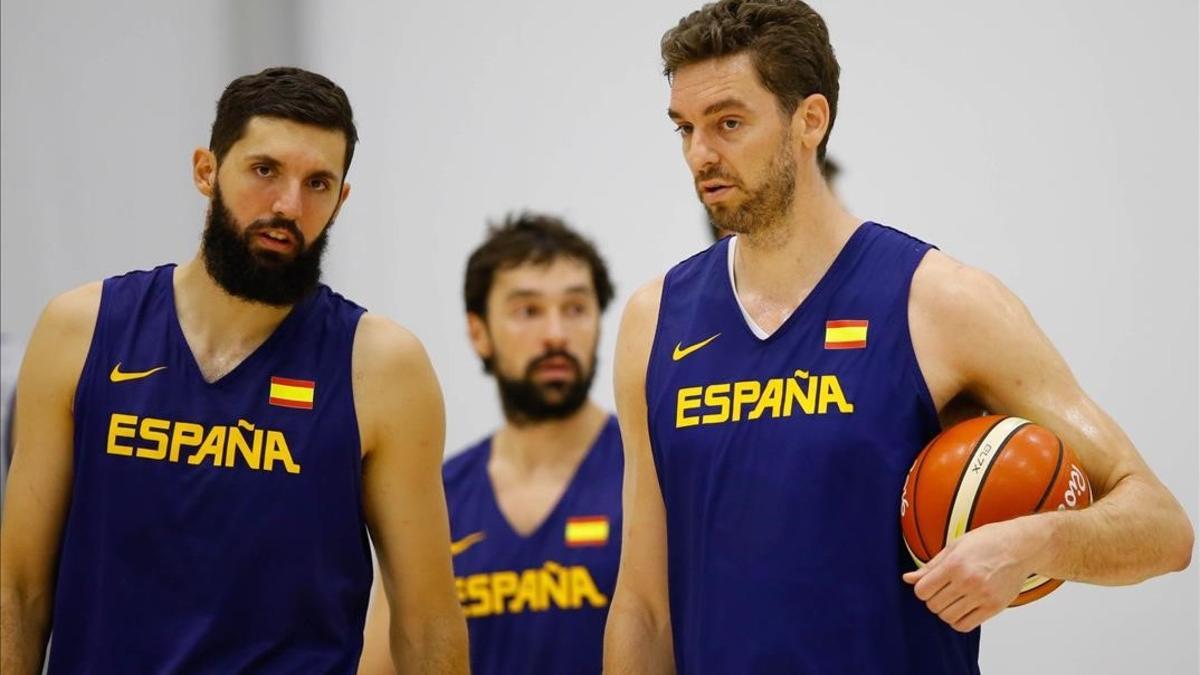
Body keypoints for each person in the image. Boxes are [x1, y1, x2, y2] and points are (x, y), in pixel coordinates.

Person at [603, 2, 1194, 673]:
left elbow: (1162, 526)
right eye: (684, 128)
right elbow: (643, 605)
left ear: (810, 120)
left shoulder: (940, 302)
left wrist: (1035, 542)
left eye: (728, 123)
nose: (700, 154)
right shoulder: (655, 319)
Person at [0, 67, 468, 674]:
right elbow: (18, 593)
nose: (288, 206)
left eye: (318, 182)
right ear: (206, 169)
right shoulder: (80, 330)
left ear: (341, 199)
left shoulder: (381, 367)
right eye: (265, 170)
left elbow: (426, 622)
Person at [360, 213, 622, 674]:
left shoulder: (649, 471)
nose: (556, 334)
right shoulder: (436, 494)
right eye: (528, 311)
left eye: (576, 308)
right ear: (479, 332)